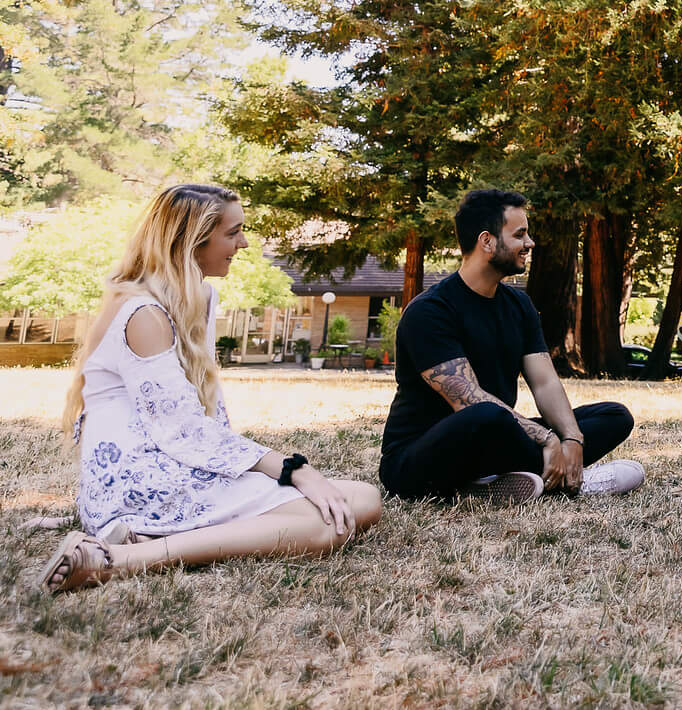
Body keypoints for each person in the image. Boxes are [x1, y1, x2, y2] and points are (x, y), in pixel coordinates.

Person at [37, 183, 383, 594]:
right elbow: (183, 430)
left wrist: (283, 475)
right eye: (233, 232)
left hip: (174, 463)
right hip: (141, 479)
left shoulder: (197, 294)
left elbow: (206, 418)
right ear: (191, 241)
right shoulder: (143, 311)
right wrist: (294, 470)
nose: (244, 242)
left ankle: (146, 540)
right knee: (329, 526)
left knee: (362, 499)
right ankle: (123, 559)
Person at [380, 188, 644, 504]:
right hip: (417, 460)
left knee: (614, 416)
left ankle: (493, 483)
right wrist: (548, 440)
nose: (530, 244)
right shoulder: (430, 311)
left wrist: (572, 439)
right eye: (520, 235)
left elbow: (545, 382)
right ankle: (574, 481)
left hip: (498, 437)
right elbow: (470, 401)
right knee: (487, 415)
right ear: (487, 241)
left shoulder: (519, 305)